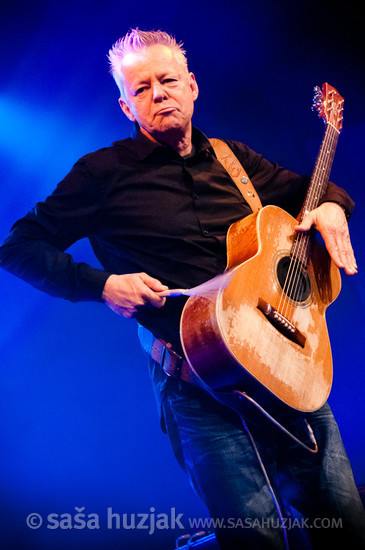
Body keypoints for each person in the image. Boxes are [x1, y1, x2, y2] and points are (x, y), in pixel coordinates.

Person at [0, 29, 364, 549]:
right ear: (126, 107)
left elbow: (312, 190)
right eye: (142, 88)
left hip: (289, 368)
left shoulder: (234, 160)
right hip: (199, 385)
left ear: (192, 86)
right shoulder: (101, 174)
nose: (158, 93)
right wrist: (101, 284)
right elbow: (17, 247)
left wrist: (332, 204)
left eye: (168, 80)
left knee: (345, 526)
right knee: (255, 539)